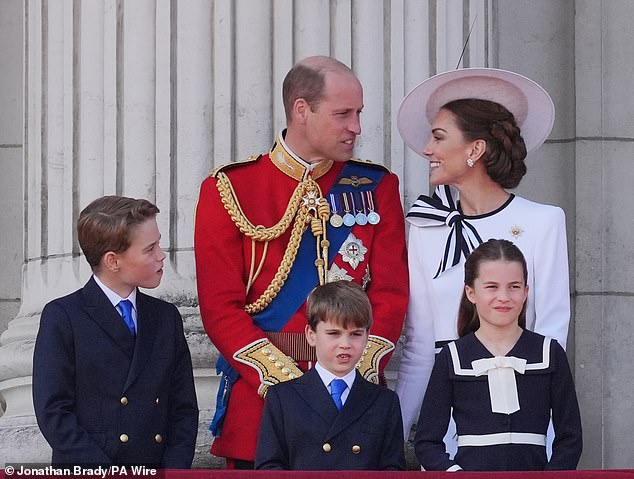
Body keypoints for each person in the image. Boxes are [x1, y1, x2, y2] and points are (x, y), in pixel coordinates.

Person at [194, 55, 408, 468]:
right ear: (301, 110)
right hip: (264, 400)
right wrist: (293, 386)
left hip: (353, 402)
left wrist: (345, 374)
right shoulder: (230, 189)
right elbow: (221, 308)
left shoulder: (376, 186)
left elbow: (391, 295)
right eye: (343, 114)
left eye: (359, 113)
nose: (357, 127)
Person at [394, 68, 571, 443]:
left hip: (521, 422)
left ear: (475, 149)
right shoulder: (426, 227)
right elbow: (420, 347)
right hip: (446, 424)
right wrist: (391, 437)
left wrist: (545, 437)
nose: (428, 149)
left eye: (439, 138)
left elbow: (550, 339)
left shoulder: (543, 222)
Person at [32, 196, 199, 468]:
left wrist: (173, 472)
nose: (161, 255)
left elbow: (183, 410)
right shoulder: (63, 317)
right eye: (150, 248)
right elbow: (54, 413)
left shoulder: (166, 318)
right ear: (113, 261)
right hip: (89, 471)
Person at [415, 239, 582, 471]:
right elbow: (427, 442)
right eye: (491, 287)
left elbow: (571, 438)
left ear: (526, 292)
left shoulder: (549, 353)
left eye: (514, 287)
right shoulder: (452, 357)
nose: (504, 297)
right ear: (471, 292)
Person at [254, 281, 406, 470]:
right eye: (334, 333)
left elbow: (392, 470)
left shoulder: (384, 402)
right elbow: (269, 468)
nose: (345, 344)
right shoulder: (282, 398)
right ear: (311, 334)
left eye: (356, 334)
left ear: (368, 336)